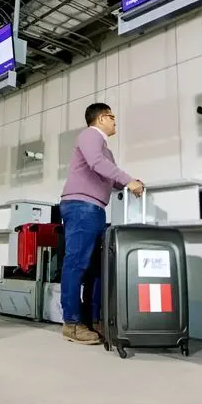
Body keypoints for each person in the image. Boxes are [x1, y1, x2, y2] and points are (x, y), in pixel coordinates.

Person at [59, 102, 144, 345]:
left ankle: (93, 319)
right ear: (101, 119)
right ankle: (72, 323)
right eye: (112, 117)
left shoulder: (105, 150)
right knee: (76, 264)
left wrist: (130, 182)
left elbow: (108, 175)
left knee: (94, 269)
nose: (115, 122)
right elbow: (97, 164)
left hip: (94, 209)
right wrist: (128, 180)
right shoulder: (90, 135)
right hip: (81, 206)